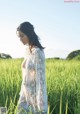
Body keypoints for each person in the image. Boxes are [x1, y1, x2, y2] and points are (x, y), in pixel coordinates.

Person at [16, 22, 48, 114]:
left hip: (34, 97)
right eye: (19, 37)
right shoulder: (27, 51)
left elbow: (41, 81)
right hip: (25, 93)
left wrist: (41, 106)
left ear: (29, 34)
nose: (20, 39)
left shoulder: (38, 52)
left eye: (22, 36)